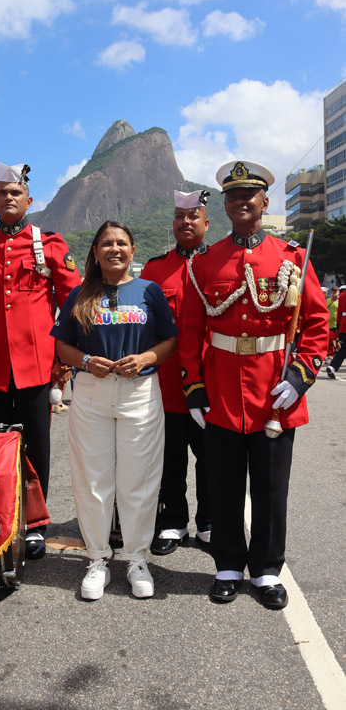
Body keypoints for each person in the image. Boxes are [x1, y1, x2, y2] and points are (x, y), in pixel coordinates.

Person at [179, 160, 328, 610]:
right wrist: (194, 388)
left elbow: (317, 323)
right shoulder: (205, 262)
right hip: (223, 387)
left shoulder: (291, 257)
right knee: (223, 483)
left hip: (273, 391)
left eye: (250, 196)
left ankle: (265, 569)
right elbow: (189, 333)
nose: (241, 202)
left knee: (269, 487)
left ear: (265, 202)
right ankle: (226, 563)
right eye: (232, 196)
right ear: (224, 204)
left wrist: (300, 376)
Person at [0, 162, 81, 559]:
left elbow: (72, 305)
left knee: (36, 447)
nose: (9, 197)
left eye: (15, 192)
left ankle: (36, 523)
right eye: (2, 192)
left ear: (29, 200)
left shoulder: (50, 243)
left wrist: (64, 361)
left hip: (36, 368)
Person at [51, 221, 178, 600]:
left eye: (122, 242)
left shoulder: (149, 292)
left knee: (138, 480)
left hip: (139, 391)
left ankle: (137, 559)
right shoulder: (78, 294)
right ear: (95, 252)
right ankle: (97, 559)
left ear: (132, 250)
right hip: (91, 393)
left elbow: (170, 339)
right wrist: (87, 360)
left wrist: (147, 357)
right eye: (106, 243)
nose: (115, 249)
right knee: (93, 480)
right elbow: (62, 347)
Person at [141, 190, 211, 555]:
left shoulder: (219, 264)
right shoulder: (154, 270)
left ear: (206, 223)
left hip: (212, 382)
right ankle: (173, 522)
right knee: (170, 460)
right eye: (179, 216)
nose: (186, 222)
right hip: (166, 384)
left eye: (193, 215)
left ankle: (209, 522)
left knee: (212, 459)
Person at [327, 285, 346, 378]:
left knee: (344, 348)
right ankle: (333, 366)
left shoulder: (342, 295)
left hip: (343, 324)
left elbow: (339, 312)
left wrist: (338, 324)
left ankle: (333, 366)